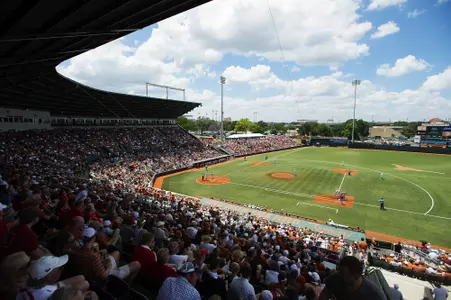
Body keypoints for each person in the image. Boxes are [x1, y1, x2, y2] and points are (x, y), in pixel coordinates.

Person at [318, 256, 388, 300]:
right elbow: (324, 294)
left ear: (356, 275)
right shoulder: (335, 278)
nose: (339, 274)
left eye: (343, 272)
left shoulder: (375, 295)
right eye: (339, 270)